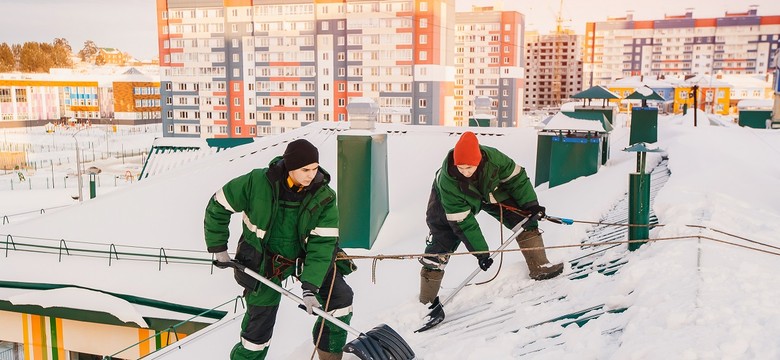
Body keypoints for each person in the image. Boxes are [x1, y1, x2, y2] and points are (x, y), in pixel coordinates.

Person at [205, 139, 354, 360]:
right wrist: (218, 247)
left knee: (340, 299)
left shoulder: (323, 196)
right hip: (263, 261)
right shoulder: (257, 183)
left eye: (314, 168)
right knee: (258, 330)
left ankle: (329, 355)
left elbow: (322, 245)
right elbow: (219, 205)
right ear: (290, 166)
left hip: (305, 259)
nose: (311, 175)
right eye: (305, 170)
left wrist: (310, 287)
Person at [419, 131, 564, 304]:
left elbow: (517, 179)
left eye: (469, 167)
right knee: (441, 244)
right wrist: (482, 254)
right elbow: (464, 222)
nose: (465, 172)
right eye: (461, 168)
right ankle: (426, 303)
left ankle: (540, 266)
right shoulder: (448, 182)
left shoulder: (494, 159)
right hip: (449, 203)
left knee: (524, 218)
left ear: (478, 161)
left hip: (487, 192)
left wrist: (531, 205)